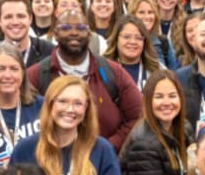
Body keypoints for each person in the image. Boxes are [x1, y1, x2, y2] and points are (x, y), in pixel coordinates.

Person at [25, 8, 143, 150]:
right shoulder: (36, 75)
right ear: (55, 34)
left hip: (105, 159)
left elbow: (138, 116)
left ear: (89, 33)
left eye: (81, 28)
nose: (74, 32)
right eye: (66, 28)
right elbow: (24, 123)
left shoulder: (112, 71)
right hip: (52, 157)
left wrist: (107, 148)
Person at [0, 43, 44, 168]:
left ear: (23, 74)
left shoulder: (42, 106)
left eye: (14, 69)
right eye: (0, 69)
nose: (8, 75)